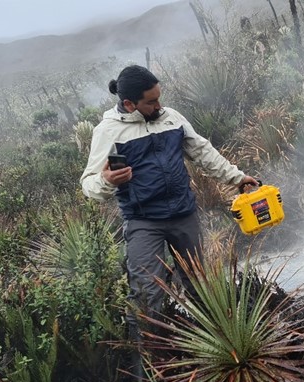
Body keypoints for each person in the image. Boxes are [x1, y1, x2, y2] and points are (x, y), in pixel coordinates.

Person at [80, 65, 259, 337]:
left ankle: (218, 341)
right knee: (145, 293)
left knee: (200, 283)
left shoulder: (171, 118)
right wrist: (107, 180)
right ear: (129, 104)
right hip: (143, 221)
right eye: (151, 102)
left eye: (159, 97)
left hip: (183, 214)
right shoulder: (108, 131)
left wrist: (237, 178)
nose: (159, 105)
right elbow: (89, 184)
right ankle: (149, 366)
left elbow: (202, 152)